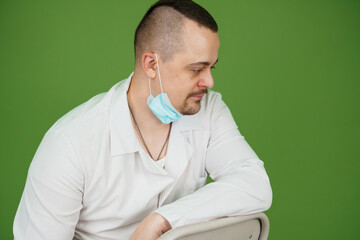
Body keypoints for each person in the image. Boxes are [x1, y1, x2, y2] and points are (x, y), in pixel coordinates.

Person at [13, 0, 272, 239]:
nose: (209, 82)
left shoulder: (209, 110)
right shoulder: (69, 145)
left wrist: (162, 220)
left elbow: (255, 184)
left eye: (211, 67)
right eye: (196, 69)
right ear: (151, 65)